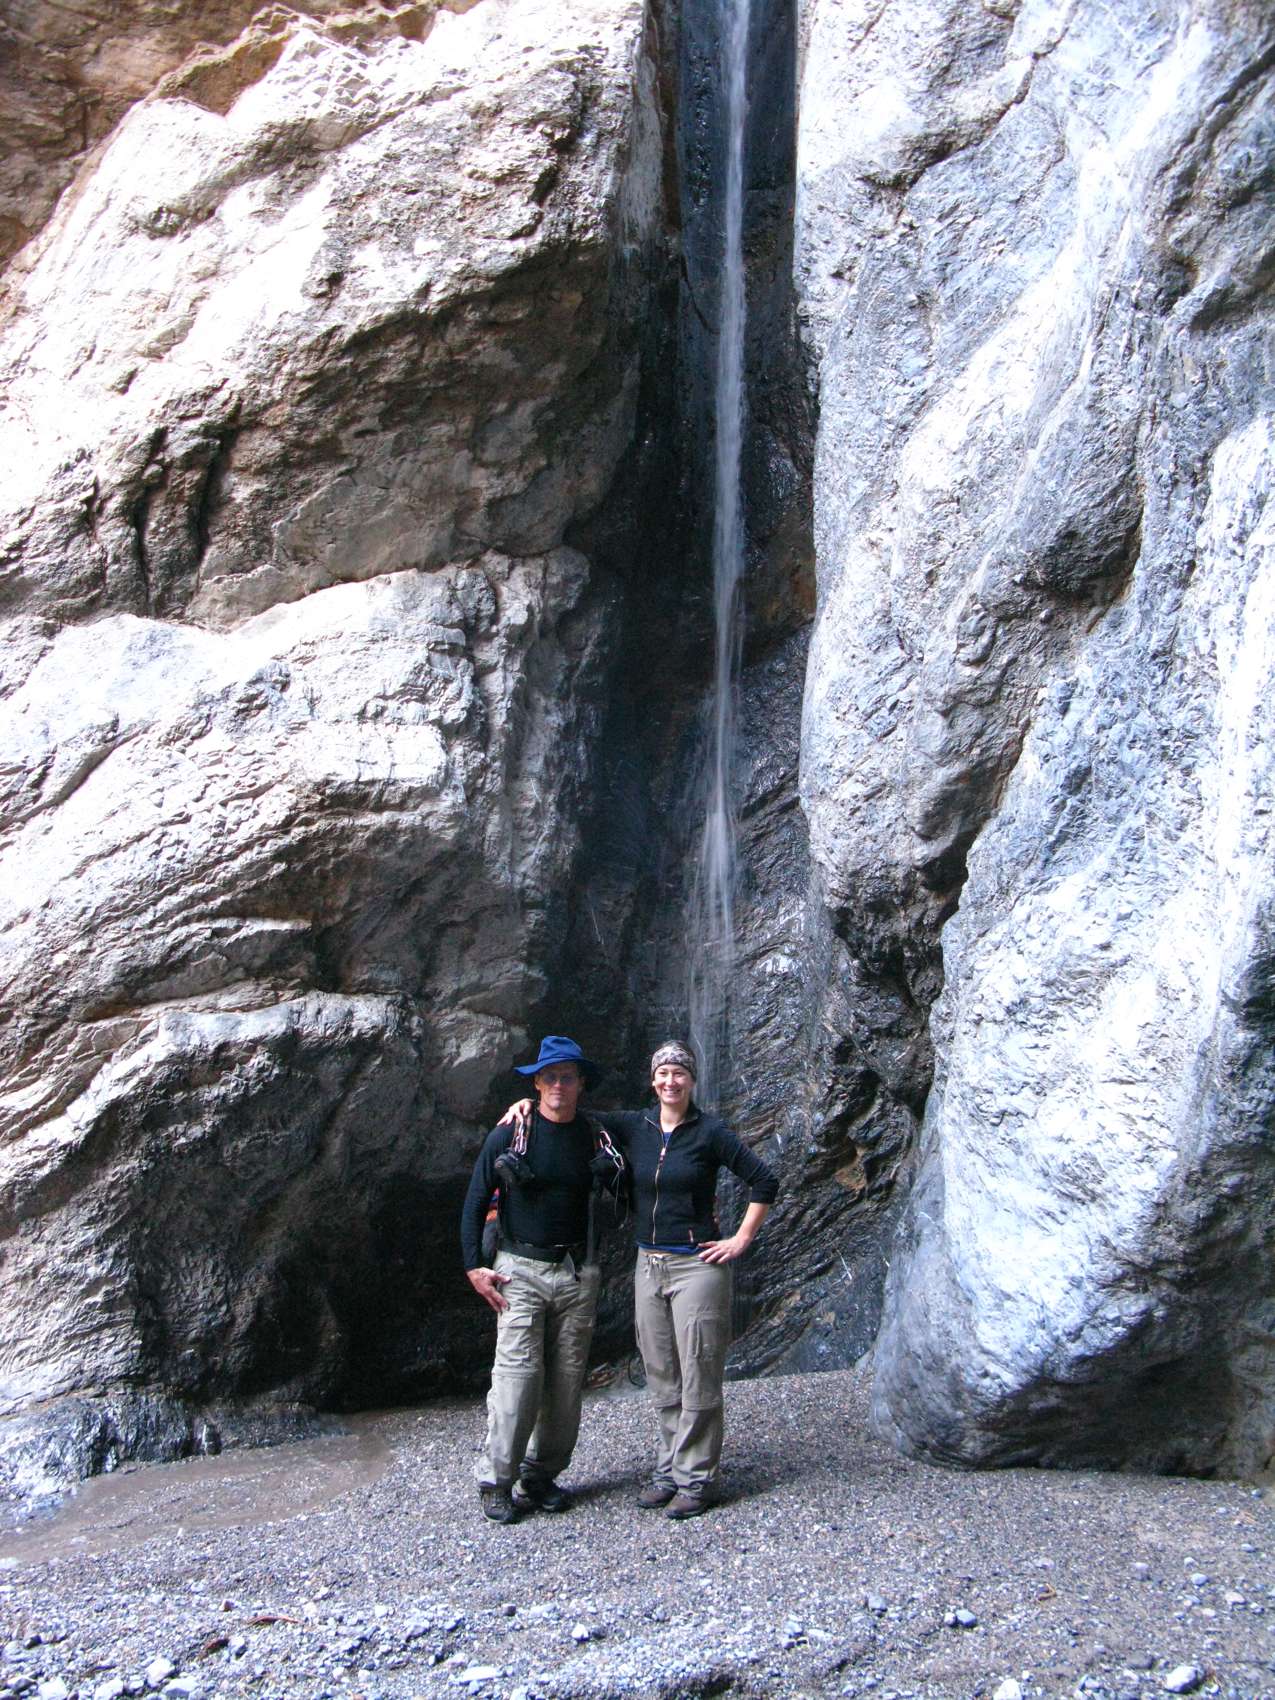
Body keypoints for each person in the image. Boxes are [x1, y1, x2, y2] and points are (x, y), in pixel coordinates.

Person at [504, 1040, 777, 1519]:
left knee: (698, 1372)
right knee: (662, 1373)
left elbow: (764, 1180)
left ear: (692, 1080)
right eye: (663, 1073)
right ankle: (669, 1470)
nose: (671, 1081)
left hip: (697, 1266)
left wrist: (739, 1240)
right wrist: (526, 1101)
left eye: (679, 1073)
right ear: (653, 1081)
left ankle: (697, 1479)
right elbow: (570, 1111)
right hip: (648, 1264)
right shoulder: (635, 1126)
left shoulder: (710, 1132)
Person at [460, 1035, 624, 1525]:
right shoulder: (510, 1133)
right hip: (520, 1272)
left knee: (566, 1384)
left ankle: (541, 1474)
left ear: (581, 1083)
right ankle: (496, 1480)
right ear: (536, 1083)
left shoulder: (596, 1134)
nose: (558, 1085)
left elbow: (652, 1123)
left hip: (577, 1273)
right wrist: (473, 1267)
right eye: (549, 1077)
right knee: (517, 1379)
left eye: (567, 1077)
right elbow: (475, 1201)